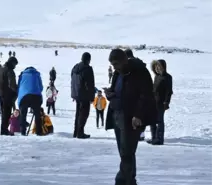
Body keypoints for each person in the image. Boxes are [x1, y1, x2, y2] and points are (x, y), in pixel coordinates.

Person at [104, 49, 156, 185]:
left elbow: (146, 95)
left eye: (116, 64)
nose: (114, 67)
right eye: (112, 64)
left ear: (124, 60)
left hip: (131, 119)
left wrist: (138, 115)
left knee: (127, 153)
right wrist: (110, 93)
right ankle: (130, 180)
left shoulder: (140, 72)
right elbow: (116, 90)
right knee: (125, 153)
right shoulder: (118, 73)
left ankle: (121, 181)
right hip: (117, 116)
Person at [147, 59, 173, 145]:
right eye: (156, 66)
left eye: (159, 66)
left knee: (159, 121)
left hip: (161, 103)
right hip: (153, 102)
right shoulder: (156, 77)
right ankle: (154, 137)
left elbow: (169, 91)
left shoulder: (168, 77)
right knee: (152, 120)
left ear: (164, 67)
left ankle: (160, 139)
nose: (158, 68)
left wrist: (166, 102)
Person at [71, 52, 95, 139]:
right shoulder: (87, 69)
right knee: (84, 114)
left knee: (78, 113)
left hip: (77, 94)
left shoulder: (75, 67)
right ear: (88, 59)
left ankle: (76, 132)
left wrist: (74, 93)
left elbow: (72, 80)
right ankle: (80, 133)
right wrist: (92, 97)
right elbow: (90, 84)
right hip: (84, 95)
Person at [17, 67, 44, 136]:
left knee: (23, 114)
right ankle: (39, 131)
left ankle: (23, 131)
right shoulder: (37, 75)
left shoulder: (22, 75)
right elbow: (41, 87)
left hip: (24, 96)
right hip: (36, 96)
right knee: (37, 114)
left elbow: (19, 86)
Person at [0, 57, 18, 135]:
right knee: (7, 113)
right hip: (7, 95)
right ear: (12, 63)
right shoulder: (10, 71)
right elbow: (12, 84)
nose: (15, 66)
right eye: (15, 64)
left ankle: (3, 130)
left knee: (3, 113)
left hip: (0, 94)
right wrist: (16, 90)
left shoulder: (1, 69)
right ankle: (4, 130)